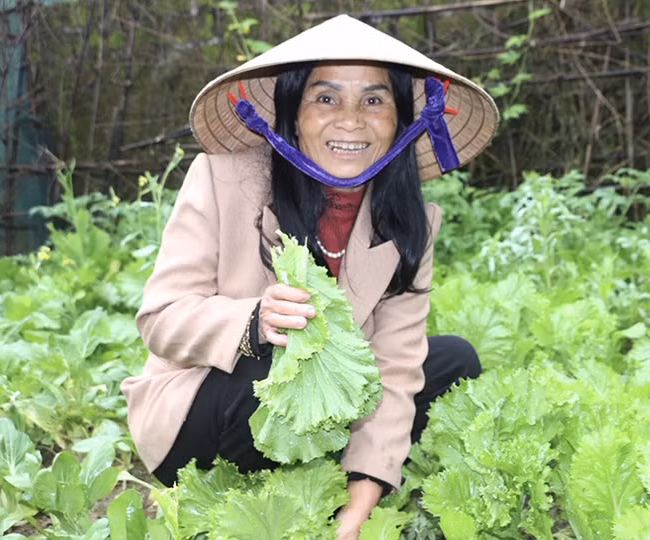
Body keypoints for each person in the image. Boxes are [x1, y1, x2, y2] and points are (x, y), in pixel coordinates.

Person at [120, 14, 498, 539]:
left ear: (402, 120)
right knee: (287, 354)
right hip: (207, 416)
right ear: (294, 114)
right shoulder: (221, 177)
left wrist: (360, 503)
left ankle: (333, 480)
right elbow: (161, 320)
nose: (350, 120)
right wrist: (252, 320)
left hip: (323, 414)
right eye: (326, 98)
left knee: (454, 358)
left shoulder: (412, 221)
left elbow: (393, 366)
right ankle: (263, 495)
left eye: (374, 100)